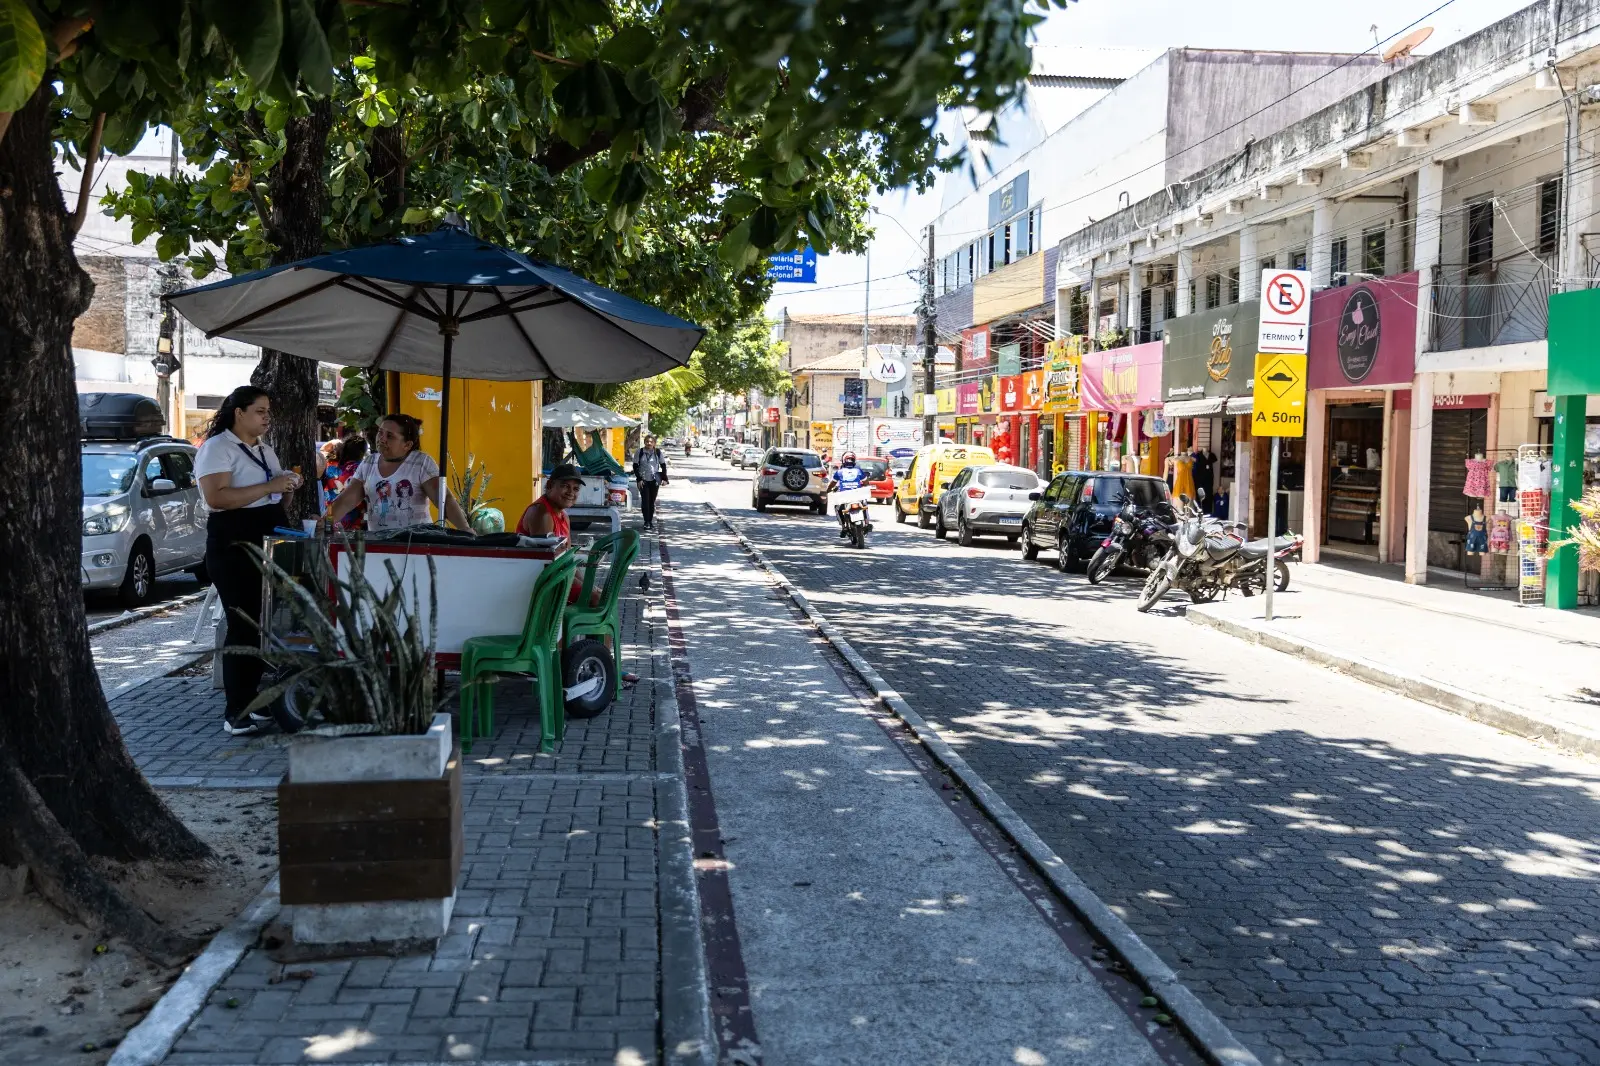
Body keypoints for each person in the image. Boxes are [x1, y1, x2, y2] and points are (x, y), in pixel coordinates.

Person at [194, 386, 303, 737]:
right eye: (260, 410)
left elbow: (273, 500)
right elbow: (218, 497)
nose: (267, 417)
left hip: (267, 537)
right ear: (238, 413)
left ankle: (251, 699)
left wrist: (286, 487)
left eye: (268, 410)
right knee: (243, 623)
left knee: (262, 623)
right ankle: (235, 710)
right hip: (233, 542)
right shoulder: (218, 447)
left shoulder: (265, 450)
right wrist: (270, 486)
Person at [324, 414, 473, 533]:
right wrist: (325, 522)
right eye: (380, 433)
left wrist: (466, 530)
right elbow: (345, 501)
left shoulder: (421, 462)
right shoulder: (368, 463)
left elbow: (444, 500)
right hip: (379, 545)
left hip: (417, 546)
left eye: (390, 436)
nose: (382, 439)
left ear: (407, 445)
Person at [828, 451, 871, 538]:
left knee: (837, 508)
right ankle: (867, 523)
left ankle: (843, 526)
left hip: (844, 496)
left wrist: (828, 490)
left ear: (843, 461)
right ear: (854, 461)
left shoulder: (839, 472)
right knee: (864, 505)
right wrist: (863, 485)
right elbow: (866, 483)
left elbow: (832, 484)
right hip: (857, 495)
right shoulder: (858, 471)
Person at [633, 435, 670, 531]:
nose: (649, 443)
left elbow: (663, 466)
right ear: (644, 442)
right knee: (645, 501)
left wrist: (664, 479)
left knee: (651, 501)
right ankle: (646, 522)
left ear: (654, 443)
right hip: (643, 480)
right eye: (647, 441)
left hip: (654, 480)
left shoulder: (658, 452)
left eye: (651, 442)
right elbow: (635, 466)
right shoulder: (639, 452)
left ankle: (650, 521)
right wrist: (639, 479)